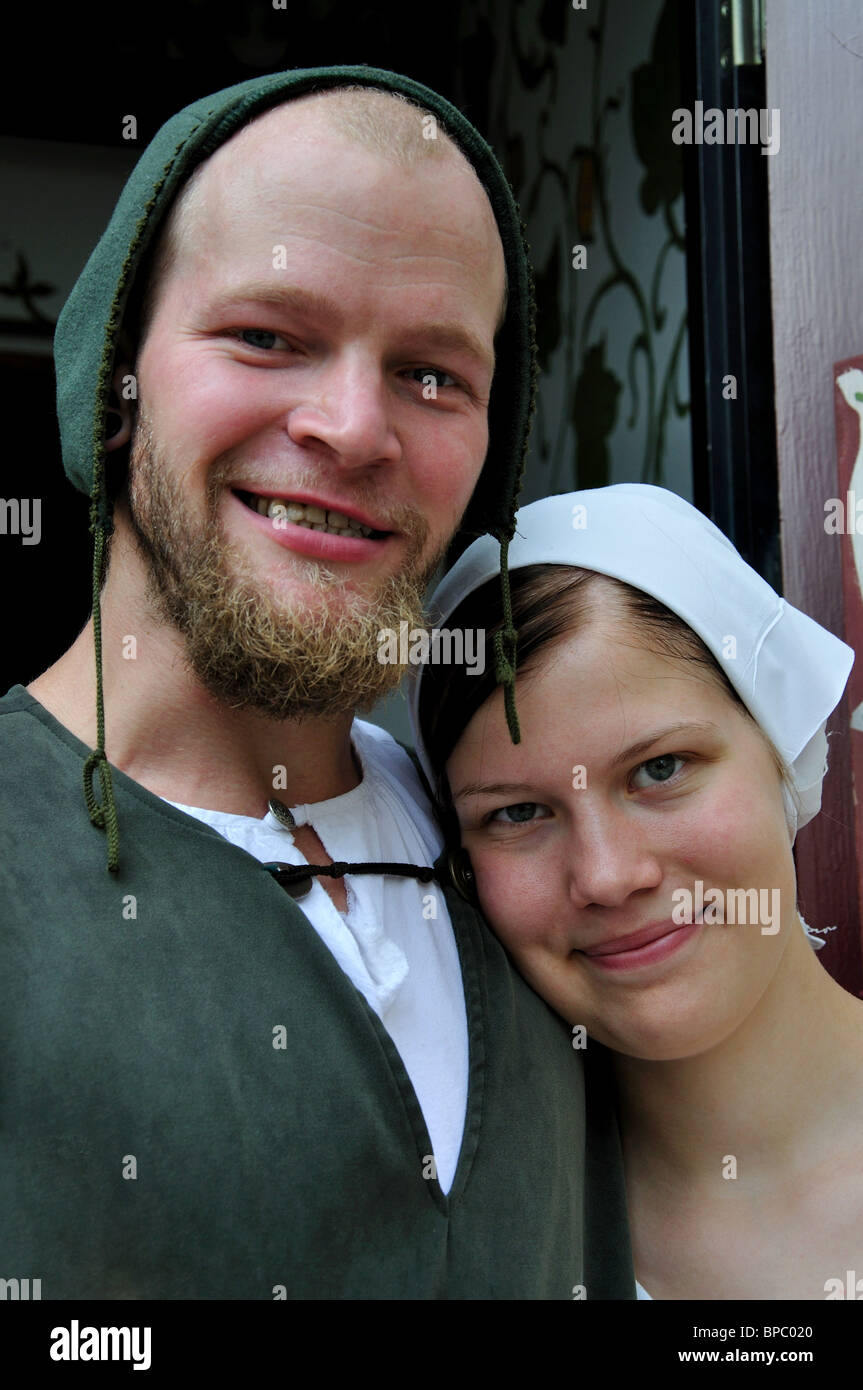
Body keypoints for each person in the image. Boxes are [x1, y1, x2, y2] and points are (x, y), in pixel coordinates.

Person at [0, 68, 635, 1299]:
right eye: (267, 337)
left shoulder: (533, 853)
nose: (353, 427)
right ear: (113, 379)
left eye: (431, 373)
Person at [411, 483, 863, 1300]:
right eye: (518, 812)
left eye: (659, 769)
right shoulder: (470, 1246)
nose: (608, 875)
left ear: (780, 746)